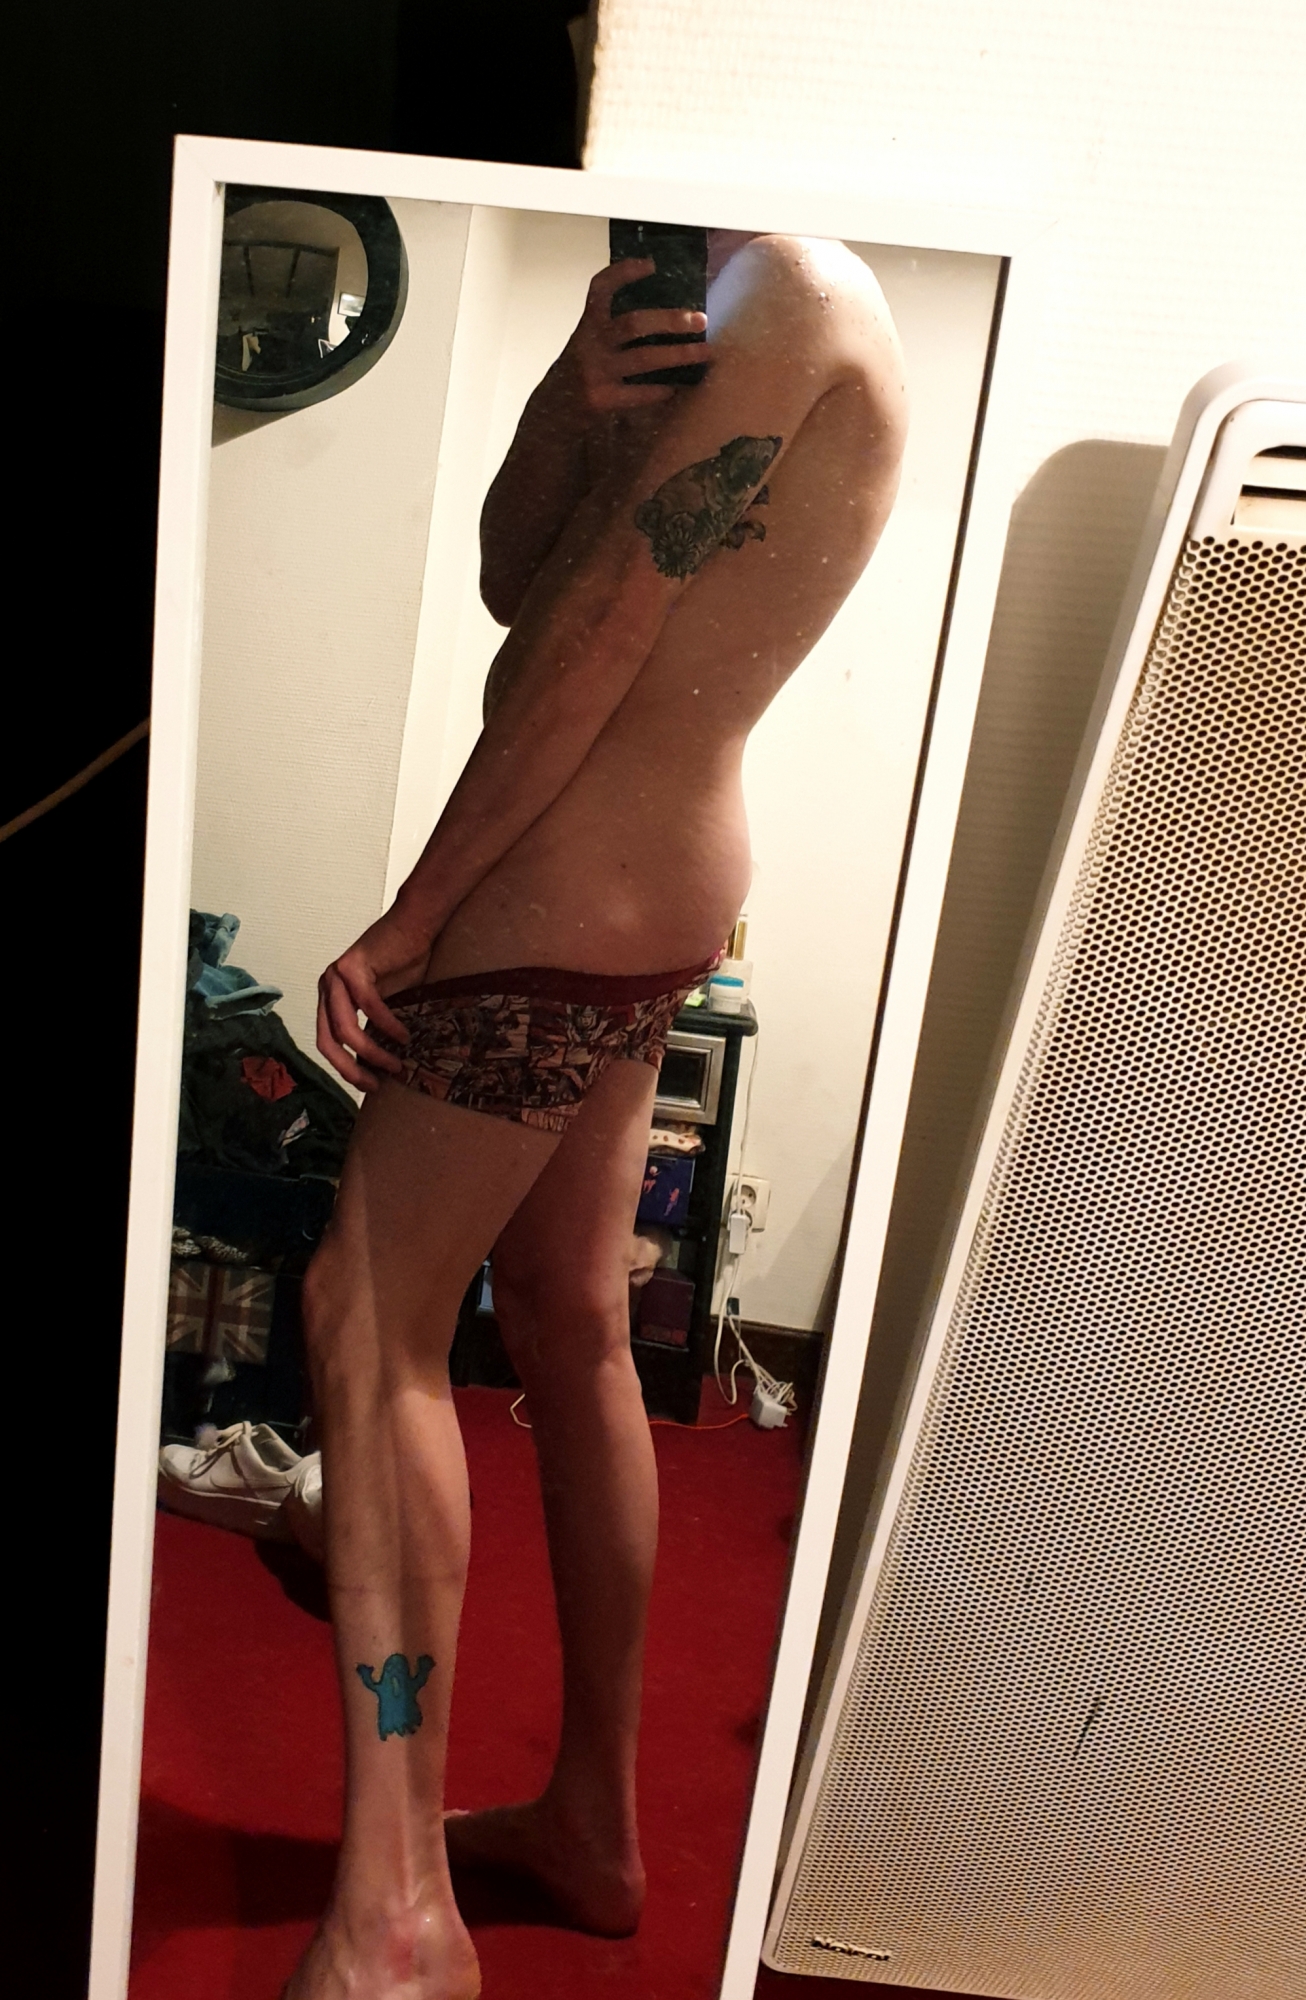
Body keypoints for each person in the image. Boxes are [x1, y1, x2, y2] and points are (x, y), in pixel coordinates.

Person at [287, 227, 908, 2000]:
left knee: (367, 1317)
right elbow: (516, 580)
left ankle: (398, 1916)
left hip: (564, 893)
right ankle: (591, 1828)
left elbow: (603, 632)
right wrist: (572, 392)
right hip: (646, 892)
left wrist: (416, 912)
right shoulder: (718, 294)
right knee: (568, 1320)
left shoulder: (793, 290)